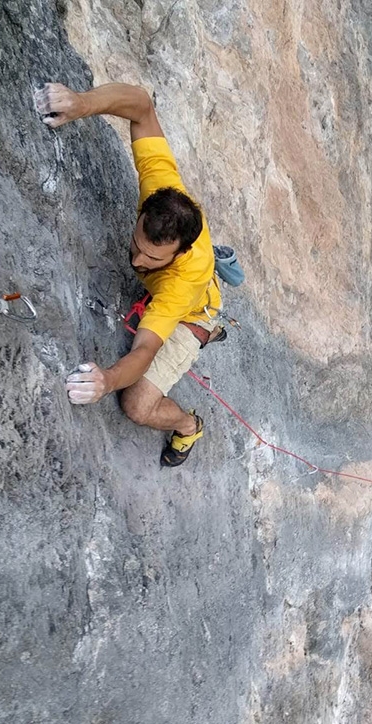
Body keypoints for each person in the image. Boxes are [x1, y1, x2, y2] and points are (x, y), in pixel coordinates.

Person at [35, 81, 223, 467]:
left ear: (181, 251)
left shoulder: (179, 283)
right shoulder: (162, 191)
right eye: (137, 245)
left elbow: (144, 351)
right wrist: (79, 104)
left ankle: (189, 426)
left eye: (152, 258)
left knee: (137, 405)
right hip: (188, 293)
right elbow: (140, 105)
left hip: (190, 314)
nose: (137, 261)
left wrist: (107, 380)